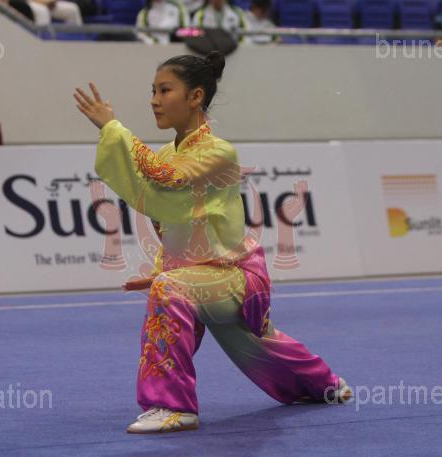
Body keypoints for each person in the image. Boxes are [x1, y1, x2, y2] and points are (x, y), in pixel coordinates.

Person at [73, 51, 352, 434]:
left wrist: (113, 128)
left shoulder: (219, 152)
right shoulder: (168, 152)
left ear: (195, 96)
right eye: (153, 91)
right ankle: (327, 385)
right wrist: (162, 270)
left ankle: (173, 407)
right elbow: (162, 212)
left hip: (235, 275)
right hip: (202, 277)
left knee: (172, 291)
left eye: (165, 90)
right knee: (259, 345)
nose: (154, 100)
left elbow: (165, 178)